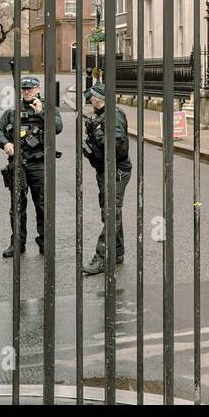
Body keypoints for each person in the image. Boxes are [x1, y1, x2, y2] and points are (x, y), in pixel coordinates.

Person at [0, 75, 63, 257]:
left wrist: (41, 113)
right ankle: (17, 243)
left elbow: (57, 127)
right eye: (24, 89)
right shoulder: (12, 111)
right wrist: (5, 144)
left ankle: (44, 242)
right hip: (18, 165)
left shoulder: (48, 108)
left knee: (42, 205)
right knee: (17, 207)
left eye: (30, 89)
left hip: (39, 164)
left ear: (38, 89)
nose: (26, 92)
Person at [81, 82, 131, 275]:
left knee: (111, 212)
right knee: (108, 210)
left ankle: (101, 258)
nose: (90, 99)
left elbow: (116, 145)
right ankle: (117, 252)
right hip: (104, 170)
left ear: (100, 98)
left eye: (92, 96)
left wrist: (98, 132)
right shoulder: (101, 115)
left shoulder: (115, 115)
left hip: (116, 170)